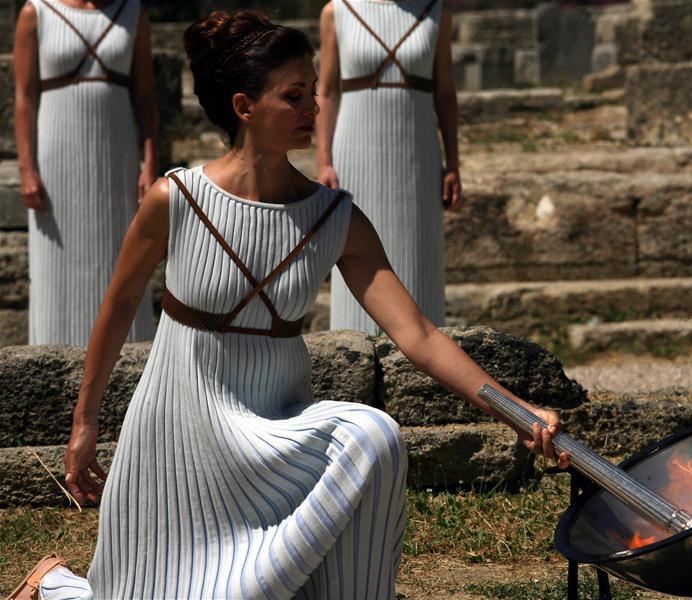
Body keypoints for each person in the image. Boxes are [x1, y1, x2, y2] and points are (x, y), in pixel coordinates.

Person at [7, 11, 568, 599]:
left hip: (273, 432)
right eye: (294, 95)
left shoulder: (334, 217)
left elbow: (420, 336)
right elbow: (118, 308)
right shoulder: (175, 199)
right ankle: (53, 587)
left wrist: (518, 411)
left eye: (313, 92)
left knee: (373, 436)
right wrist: (85, 425)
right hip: (178, 440)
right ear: (245, 106)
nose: (314, 109)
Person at [13, 0, 157, 346]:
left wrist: (150, 162)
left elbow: (146, 94)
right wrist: (27, 167)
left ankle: (126, 360)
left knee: (120, 256)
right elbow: (24, 96)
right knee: (55, 266)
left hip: (118, 159)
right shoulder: (36, 11)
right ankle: (52, 358)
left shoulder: (133, 12)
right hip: (56, 160)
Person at [317, 0, 461, 335]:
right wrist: (323, 160)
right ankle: (354, 351)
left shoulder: (437, 11)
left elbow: (445, 93)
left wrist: (453, 163)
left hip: (418, 153)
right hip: (355, 151)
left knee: (417, 256)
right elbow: (325, 92)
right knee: (353, 246)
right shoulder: (337, 11)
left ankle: (425, 361)